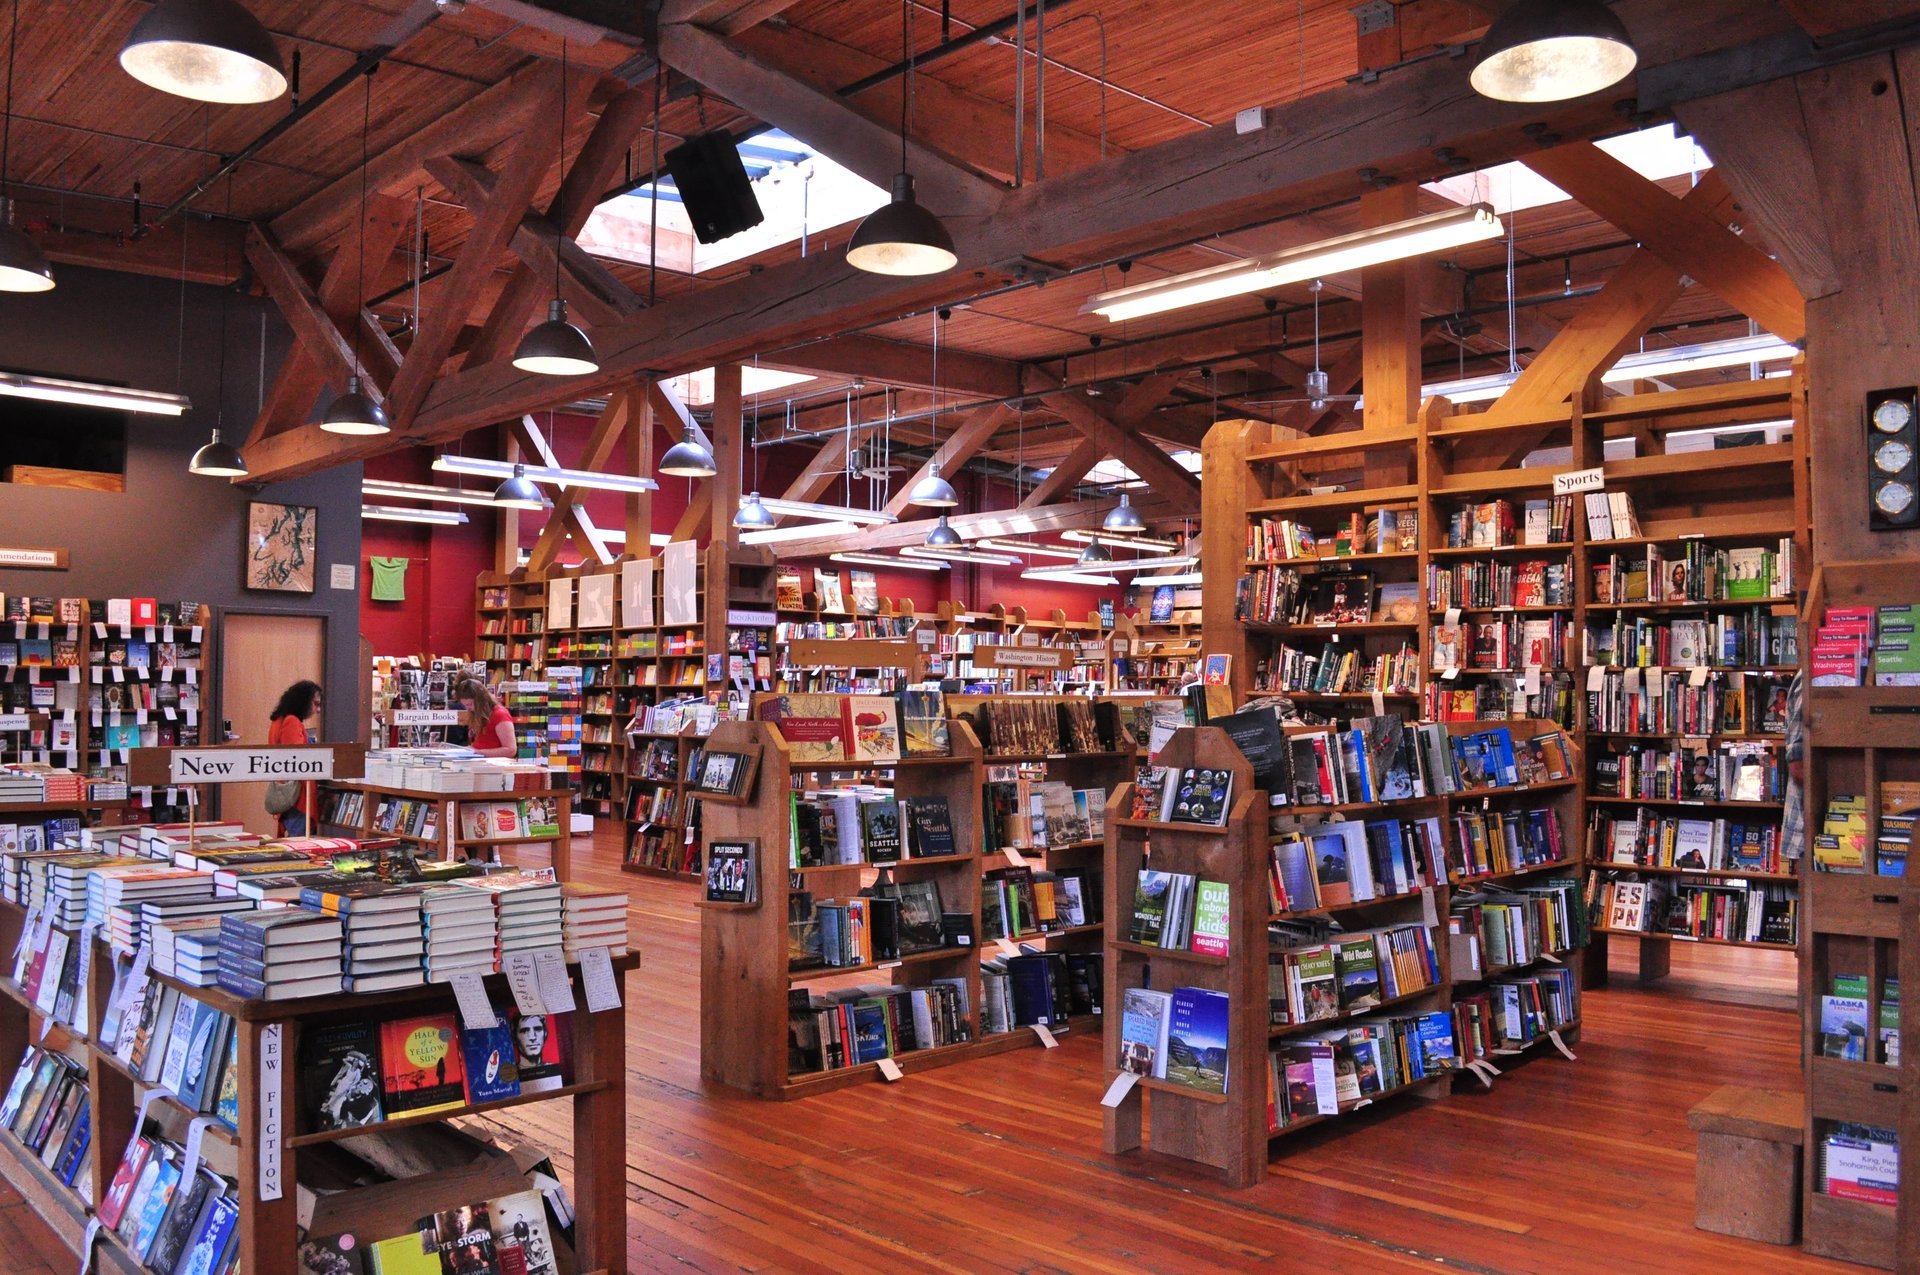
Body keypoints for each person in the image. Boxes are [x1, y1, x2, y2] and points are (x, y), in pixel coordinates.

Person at [268, 680, 323, 835]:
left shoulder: (278, 720)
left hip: (287, 790)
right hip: (298, 795)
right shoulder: (291, 722)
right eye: (315, 704)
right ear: (303, 701)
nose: (317, 710)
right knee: (299, 842)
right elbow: (298, 757)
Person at [456, 677, 519, 758]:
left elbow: (511, 750)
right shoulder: (478, 714)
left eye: (470, 704)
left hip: (493, 765)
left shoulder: (499, 714)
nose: (468, 708)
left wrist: (478, 752)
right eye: (465, 705)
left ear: (480, 700)